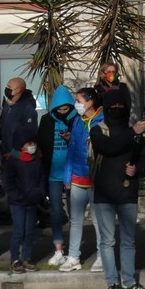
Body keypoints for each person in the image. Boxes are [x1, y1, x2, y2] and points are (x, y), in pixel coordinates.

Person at [90, 88, 145, 289]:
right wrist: (132, 132)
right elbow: (109, 147)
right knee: (107, 241)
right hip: (104, 193)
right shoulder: (99, 130)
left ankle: (128, 281)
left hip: (127, 192)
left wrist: (138, 169)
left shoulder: (134, 133)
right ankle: (112, 282)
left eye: (121, 106)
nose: (117, 110)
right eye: (113, 107)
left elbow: (144, 158)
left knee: (128, 240)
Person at [36, 84, 85, 267]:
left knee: (75, 213)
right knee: (56, 211)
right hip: (53, 174)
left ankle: (74, 250)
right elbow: (41, 144)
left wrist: (70, 138)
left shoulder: (77, 119)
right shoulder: (47, 120)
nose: (63, 112)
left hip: (73, 173)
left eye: (66, 108)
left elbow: (82, 141)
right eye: (60, 109)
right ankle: (58, 249)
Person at [58, 87, 100, 273]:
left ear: (90, 102)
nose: (76, 105)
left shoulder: (102, 120)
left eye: (79, 101)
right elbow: (72, 150)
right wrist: (68, 176)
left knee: (100, 221)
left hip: (96, 180)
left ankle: (102, 256)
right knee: (75, 220)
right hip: (77, 179)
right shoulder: (77, 122)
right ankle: (74, 256)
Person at [1, 125, 45, 273]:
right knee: (19, 231)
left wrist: (39, 192)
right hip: (18, 202)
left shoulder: (37, 159)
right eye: (28, 143)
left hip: (32, 200)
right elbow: (8, 182)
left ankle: (27, 257)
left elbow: (41, 178)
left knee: (30, 231)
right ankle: (15, 259)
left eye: (33, 143)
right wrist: (18, 196)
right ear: (21, 145)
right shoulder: (12, 160)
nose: (32, 146)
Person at [0, 76, 39, 155]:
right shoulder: (8, 104)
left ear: (17, 90)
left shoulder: (27, 108)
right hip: (6, 152)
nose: (7, 89)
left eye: (9, 87)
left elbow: (30, 133)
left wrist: (17, 153)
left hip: (18, 154)